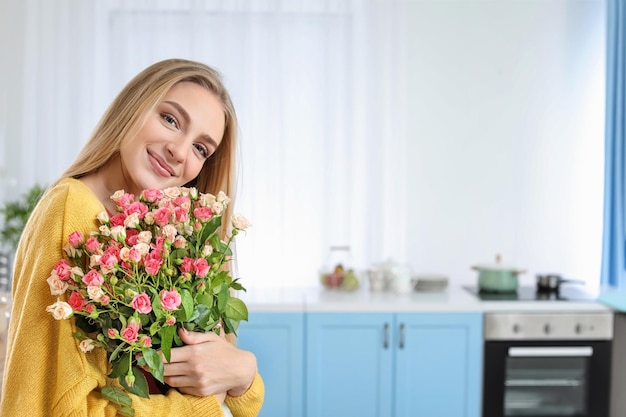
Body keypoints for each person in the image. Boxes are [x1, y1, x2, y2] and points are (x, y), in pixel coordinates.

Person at [0, 59, 264, 416]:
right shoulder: (72, 210)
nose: (180, 152)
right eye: (170, 119)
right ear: (133, 107)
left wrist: (244, 374)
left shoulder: (157, 238)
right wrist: (199, 407)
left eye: (201, 148)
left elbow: (213, 371)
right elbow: (63, 407)